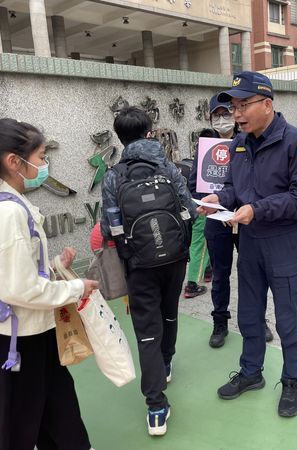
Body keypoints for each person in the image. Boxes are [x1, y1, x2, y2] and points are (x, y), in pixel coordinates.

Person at [0, 118, 98, 450]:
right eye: (40, 157)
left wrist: (53, 268)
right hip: (14, 344)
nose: (44, 165)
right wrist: (76, 287)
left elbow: (16, 274)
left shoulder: (6, 204)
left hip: (32, 335)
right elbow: (18, 290)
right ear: (14, 161)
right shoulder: (5, 214)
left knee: (61, 421)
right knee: (16, 433)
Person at [198, 71, 297, 417]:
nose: (236, 113)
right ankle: (251, 373)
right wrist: (218, 198)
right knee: (250, 315)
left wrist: (257, 209)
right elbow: (238, 191)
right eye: (234, 105)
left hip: (283, 243)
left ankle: (292, 381)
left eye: (243, 105)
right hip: (249, 243)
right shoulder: (239, 144)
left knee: (286, 319)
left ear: (268, 104)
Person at [101, 106, 197, 436]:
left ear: (121, 137)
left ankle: (156, 408)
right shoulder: (168, 167)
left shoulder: (114, 176)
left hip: (138, 264)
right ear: (149, 131)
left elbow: (106, 226)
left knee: (146, 330)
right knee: (169, 313)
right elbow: (191, 210)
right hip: (174, 259)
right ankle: (166, 361)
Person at [190, 94, 274, 348]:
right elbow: (195, 185)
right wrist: (212, 207)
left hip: (246, 219)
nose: (223, 118)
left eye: (228, 112)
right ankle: (220, 321)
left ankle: (258, 320)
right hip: (217, 222)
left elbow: (255, 183)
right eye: (217, 114)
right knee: (220, 274)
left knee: (253, 274)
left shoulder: (247, 143)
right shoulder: (204, 148)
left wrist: (238, 209)